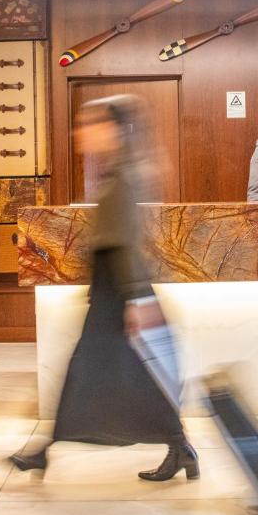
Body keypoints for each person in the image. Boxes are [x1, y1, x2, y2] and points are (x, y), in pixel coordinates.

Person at [10, 94, 198, 482]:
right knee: (112, 373)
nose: (80, 133)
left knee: (100, 372)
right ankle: (178, 447)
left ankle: (47, 449)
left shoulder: (124, 176)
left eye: (88, 125)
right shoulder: (119, 171)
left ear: (111, 130)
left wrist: (134, 299)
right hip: (114, 289)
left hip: (119, 291)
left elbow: (125, 241)